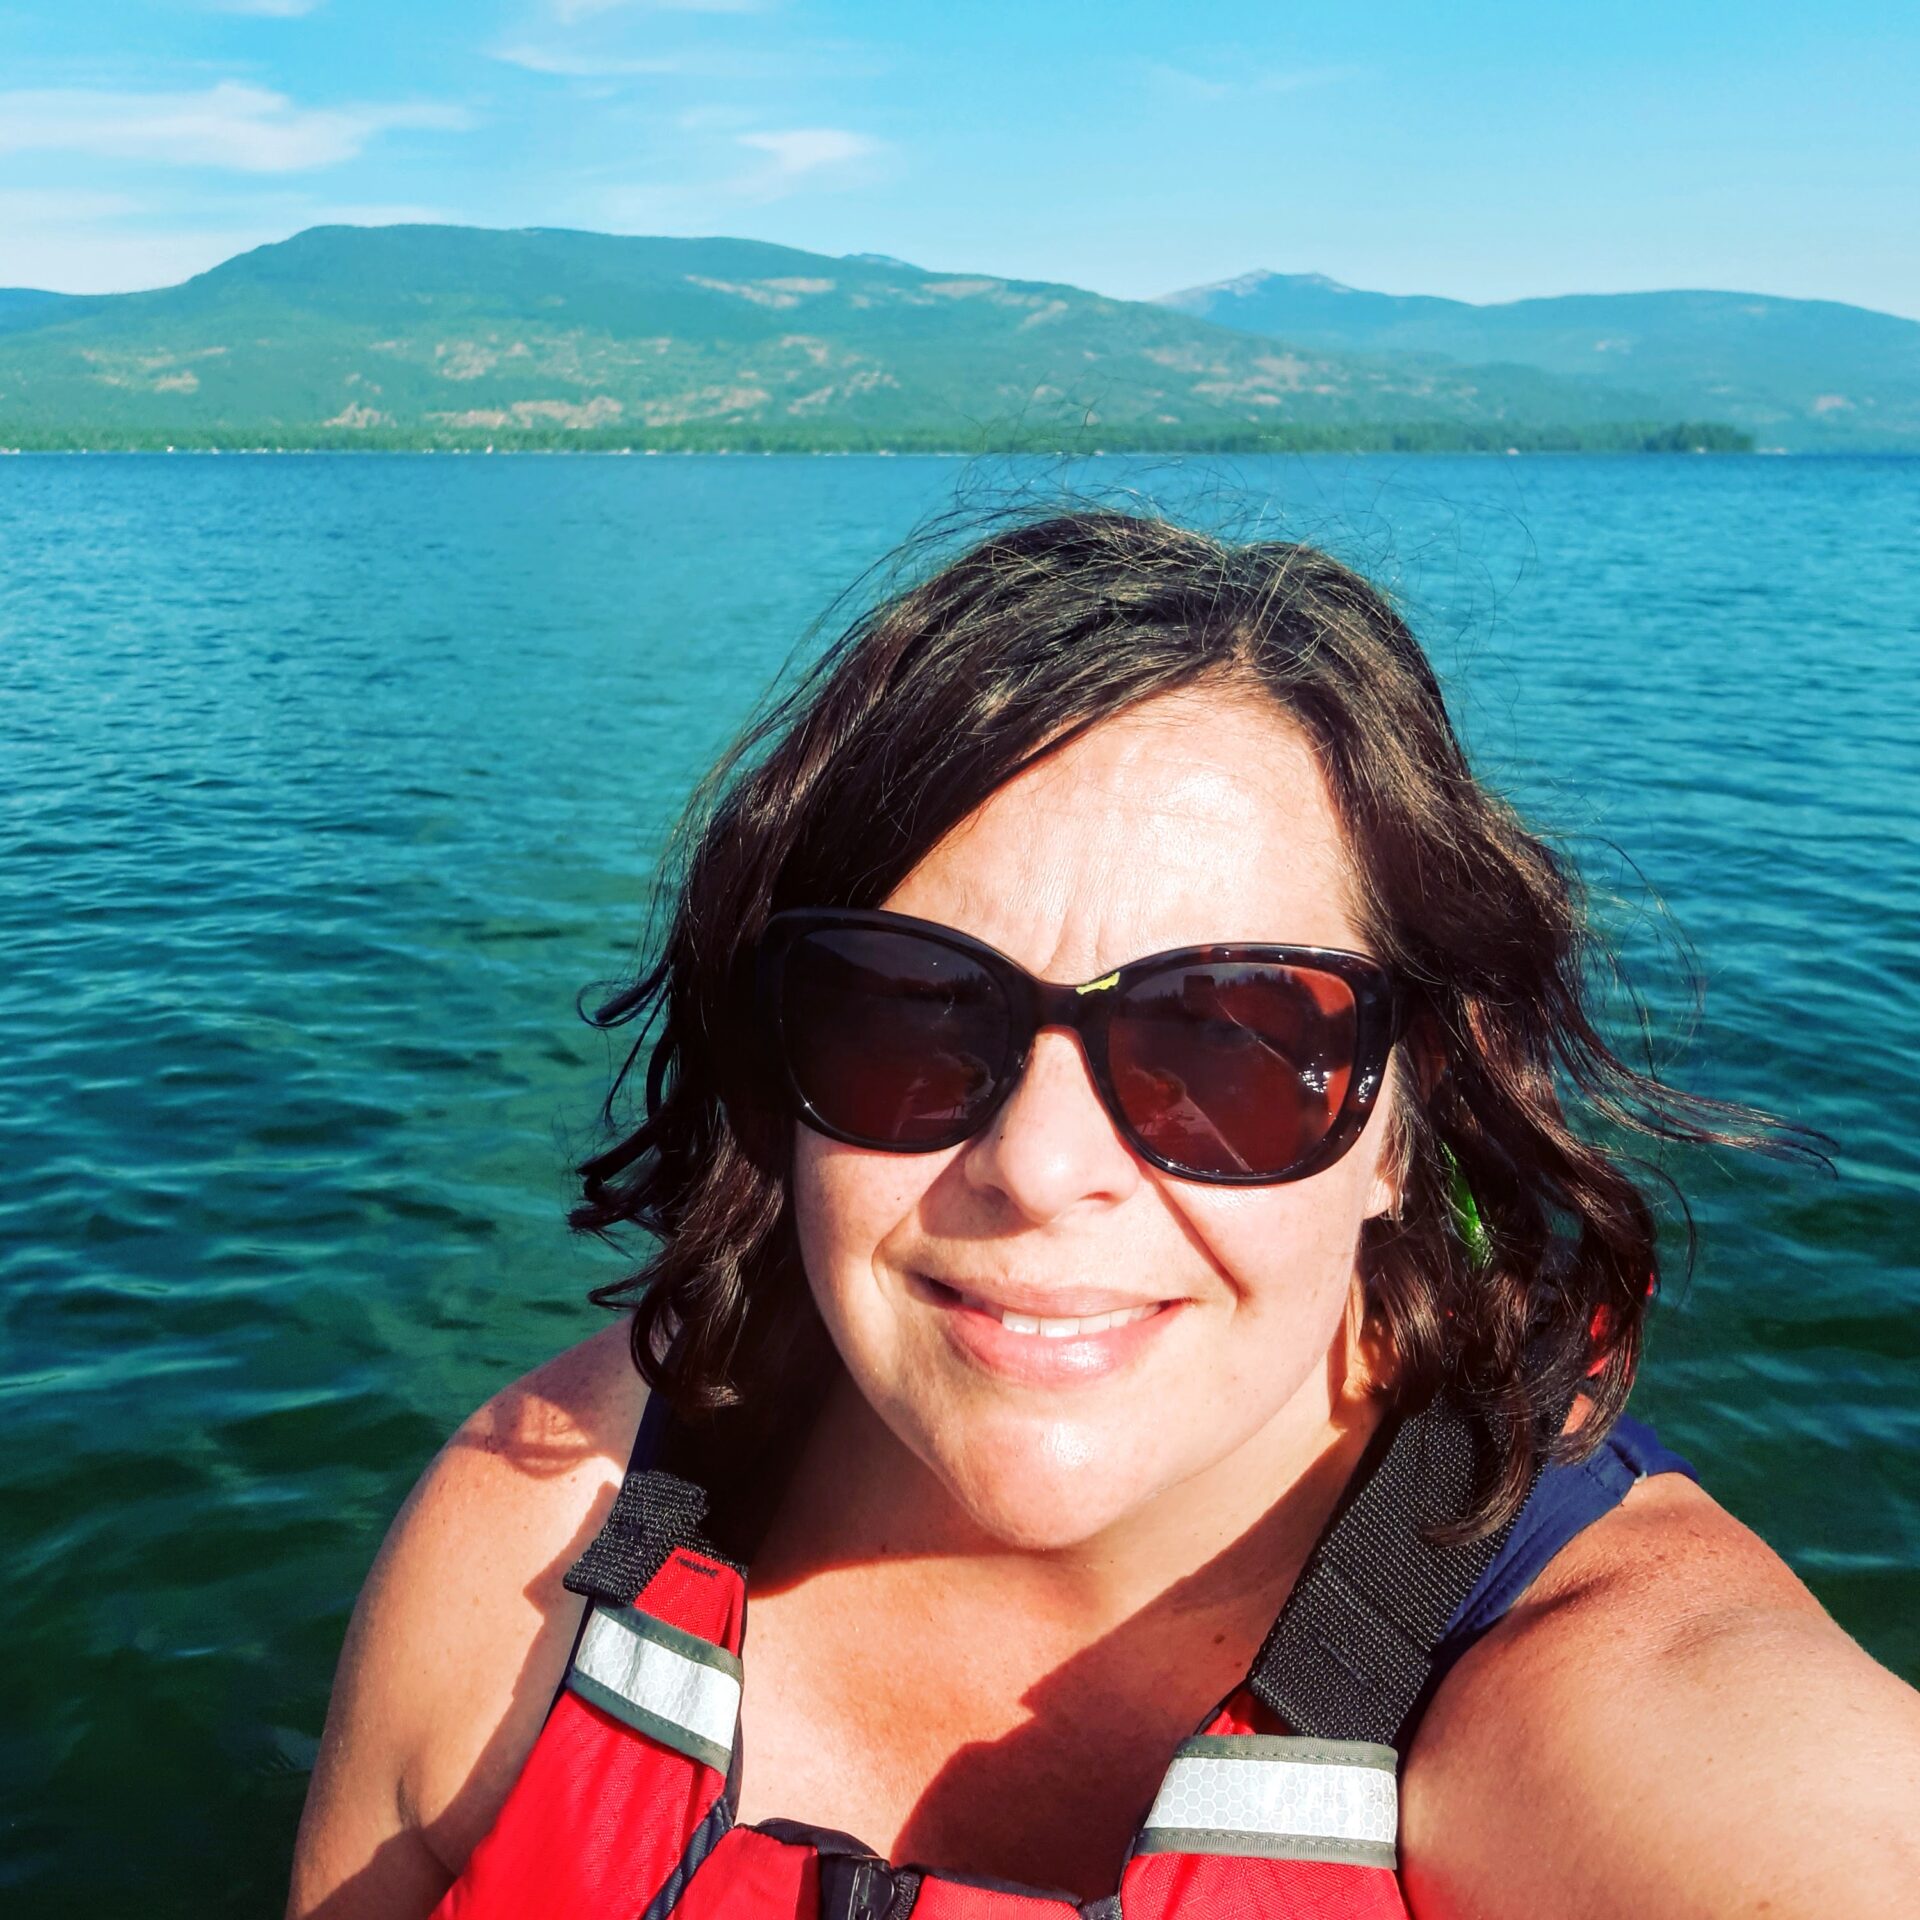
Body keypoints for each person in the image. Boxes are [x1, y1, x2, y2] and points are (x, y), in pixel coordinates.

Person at [287, 509, 1920, 1920]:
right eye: (909, 1016)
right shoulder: (539, 1534)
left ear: (1403, 1129)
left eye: (1233, 1037)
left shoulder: (1616, 1702)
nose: (1038, 1164)